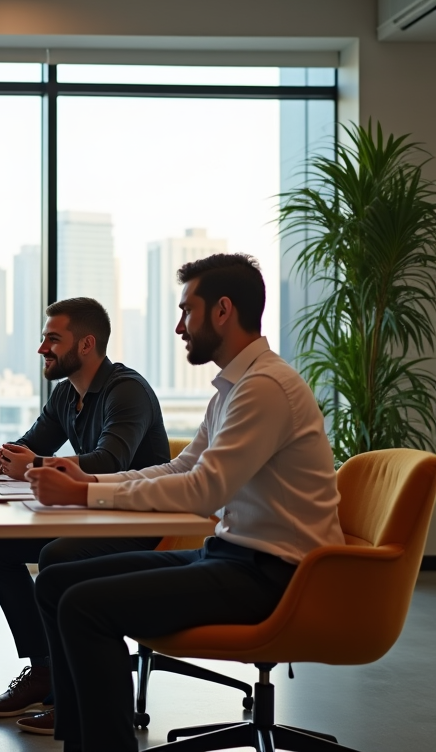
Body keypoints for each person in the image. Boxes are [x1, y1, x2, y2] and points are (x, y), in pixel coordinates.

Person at [27, 254, 345, 752]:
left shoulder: (264, 388)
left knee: (85, 607)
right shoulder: (234, 389)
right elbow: (181, 468)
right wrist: (86, 478)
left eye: (186, 311)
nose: (179, 326)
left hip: (274, 574)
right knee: (57, 582)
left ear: (222, 311)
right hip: (231, 556)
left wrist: (86, 492)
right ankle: (79, 740)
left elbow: (204, 491)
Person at [0, 297, 170, 734]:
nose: (42, 348)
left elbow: (110, 461)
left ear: (86, 344)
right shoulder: (67, 394)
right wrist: (14, 457)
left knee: (58, 558)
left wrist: (34, 464)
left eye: (52, 339)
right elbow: (28, 446)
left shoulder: (127, 391)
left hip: (142, 523)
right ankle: (45, 671)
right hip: (94, 516)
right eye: (44, 338)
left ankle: (74, 698)